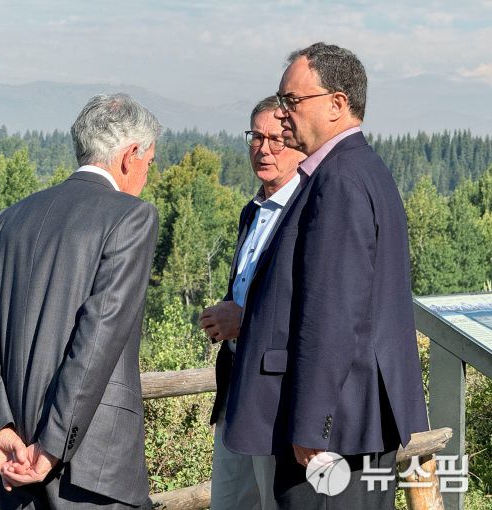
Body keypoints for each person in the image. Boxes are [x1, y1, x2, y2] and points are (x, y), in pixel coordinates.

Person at [223, 42, 429, 509]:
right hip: (354, 419)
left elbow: (333, 313)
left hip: (334, 430)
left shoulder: (338, 181)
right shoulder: (361, 169)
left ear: (337, 104)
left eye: (292, 100)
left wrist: (312, 424)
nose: (283, 112)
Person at [0, 93, 161, 509]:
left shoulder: (8, 221)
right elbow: (98, 337)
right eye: (149, 162)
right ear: (130, 156)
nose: (146, 175)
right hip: (93, 470)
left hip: (12, 461)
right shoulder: (132, 216)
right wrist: (51, 444)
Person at [199, 95, 305, 510]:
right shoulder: (253, 211)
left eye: (277, 139)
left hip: (276, 401)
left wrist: (244, 320)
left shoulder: (307, 213)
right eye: (256, 137)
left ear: (299, 143)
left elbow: (315, 308)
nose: (264, 149)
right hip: (235, 388)